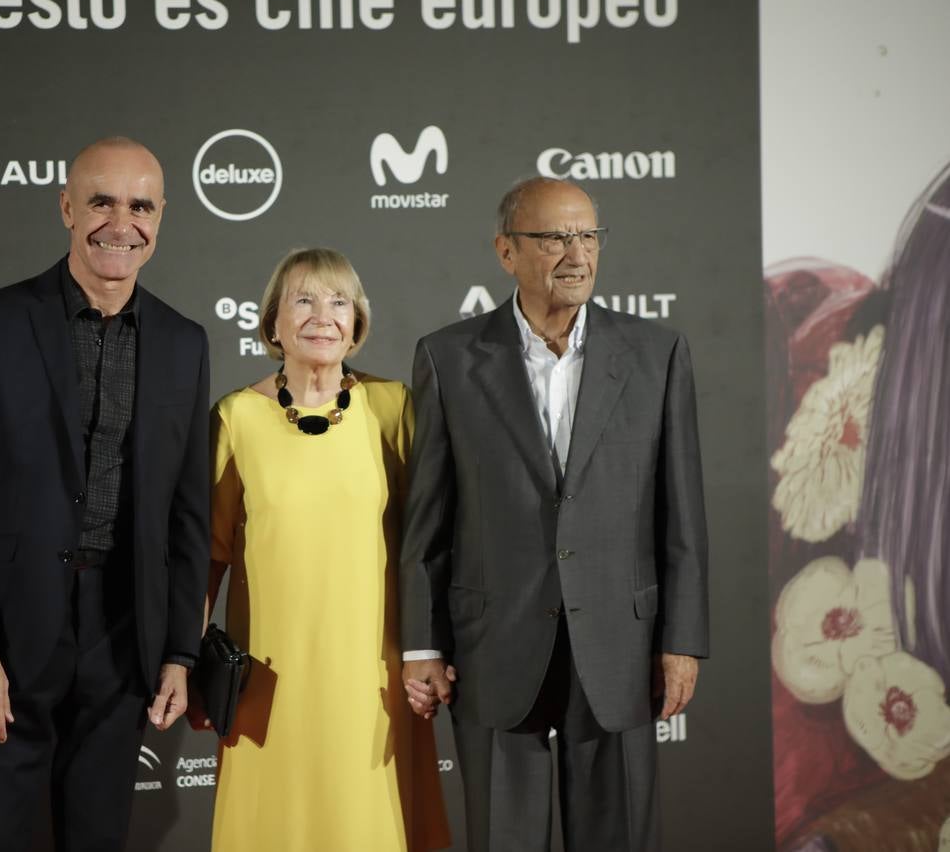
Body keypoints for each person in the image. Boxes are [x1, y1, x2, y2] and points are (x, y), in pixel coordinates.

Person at [400, 177, 709, 851]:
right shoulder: (448, 358)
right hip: (492, 641)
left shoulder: (658, 355)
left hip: (619, 647)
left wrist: (681, 638)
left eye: (588, 235)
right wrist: (422, 643)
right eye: (554, 238)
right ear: (506, 251)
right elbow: (428, 519)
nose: (578, 254)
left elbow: (682, 517)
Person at [0, 136, 210, 851]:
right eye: (101, 202)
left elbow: (186, 515)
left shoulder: (184, 341)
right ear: (65, 207)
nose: (122, 223)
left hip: (124, 637)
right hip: (10, 640)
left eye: (141, 205)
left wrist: (180, 650)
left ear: (162, 216)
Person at [204, 248, 449, 852]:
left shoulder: (392, 407)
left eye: (339, 301)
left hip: (375, 679)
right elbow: (206, 557)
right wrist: (186, 664)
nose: (323, 315)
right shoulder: (236, 418)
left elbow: (433, 541)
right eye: (304, 300)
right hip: (269, 680)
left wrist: (432, 649)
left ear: (358, 322)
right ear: (273, 323)